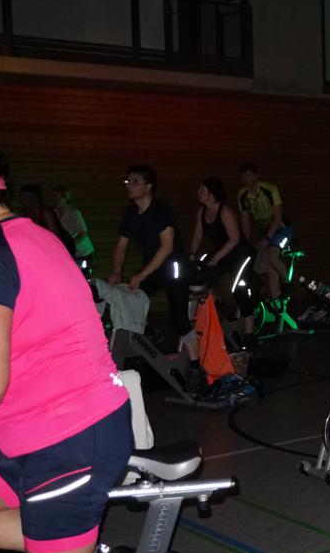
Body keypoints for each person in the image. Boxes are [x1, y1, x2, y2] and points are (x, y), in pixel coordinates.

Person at [0, 151, 132, 553]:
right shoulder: (30, 233)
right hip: (25, 431)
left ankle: (72, 548)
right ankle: (81, 546)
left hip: (69, 435)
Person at [108, 165, 203, 393]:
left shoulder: (161, 210)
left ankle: (196, 367)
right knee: (129, 294)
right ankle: (151, 334)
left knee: (179, 320)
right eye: (127, 182)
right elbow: (121, 246)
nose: (129, 186)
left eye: (135, 182)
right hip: (155, 268)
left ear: (148, 187)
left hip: (174, 268)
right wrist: (117, 271)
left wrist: (142, 274)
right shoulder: (131, 213)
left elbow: (167, 247)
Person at [190, 178, 261, 349]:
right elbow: (198, 235)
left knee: (239, 290)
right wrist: (192, 255)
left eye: (202, 189)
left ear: (211, 193)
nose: (198, 192)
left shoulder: (225, 211)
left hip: (240, 253)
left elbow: (234, 239)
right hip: (224, 252)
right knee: (201, 274)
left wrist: (217, 258)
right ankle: (217, 304)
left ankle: (249, 335)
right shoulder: (202, 212)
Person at [236, 162, 291, 301]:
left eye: (249, 175)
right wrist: (245, 242)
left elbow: (278, 218)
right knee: (271, 272)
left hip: (281, 229)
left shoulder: (270, 189)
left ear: (256, 175)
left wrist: (267, 239)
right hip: (265, 231)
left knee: (272, 256)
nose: (246, 179)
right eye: (243, 176)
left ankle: (288, 284)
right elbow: (245, 221)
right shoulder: (242, 194)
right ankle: (278, 304)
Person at [18, 184, 75, 257]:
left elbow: (54, 236)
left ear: (35, 199)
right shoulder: (25, 212)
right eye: (21, 198)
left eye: (26, 198)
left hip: (61, 246)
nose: (23, 201)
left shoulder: (45, 212)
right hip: (43, 246)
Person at [51, 186, 95, 270]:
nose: (54, 200)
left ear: (65, 198)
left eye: (57, 197)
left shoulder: (74, 213)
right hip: (67, 253)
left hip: (82, 252)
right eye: (53, 197)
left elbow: (83, 233)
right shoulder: (54, 214)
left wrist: (69, 245)